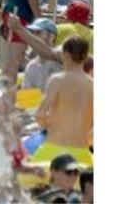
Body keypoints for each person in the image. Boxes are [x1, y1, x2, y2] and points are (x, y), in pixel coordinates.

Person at [34, 36, 94, 166]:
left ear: (66, 55)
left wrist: (48, 125)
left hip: (54, 151)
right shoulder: (93, 85)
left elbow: (40, 114)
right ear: (85, 57)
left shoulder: (57, 80)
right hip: (82, 154)